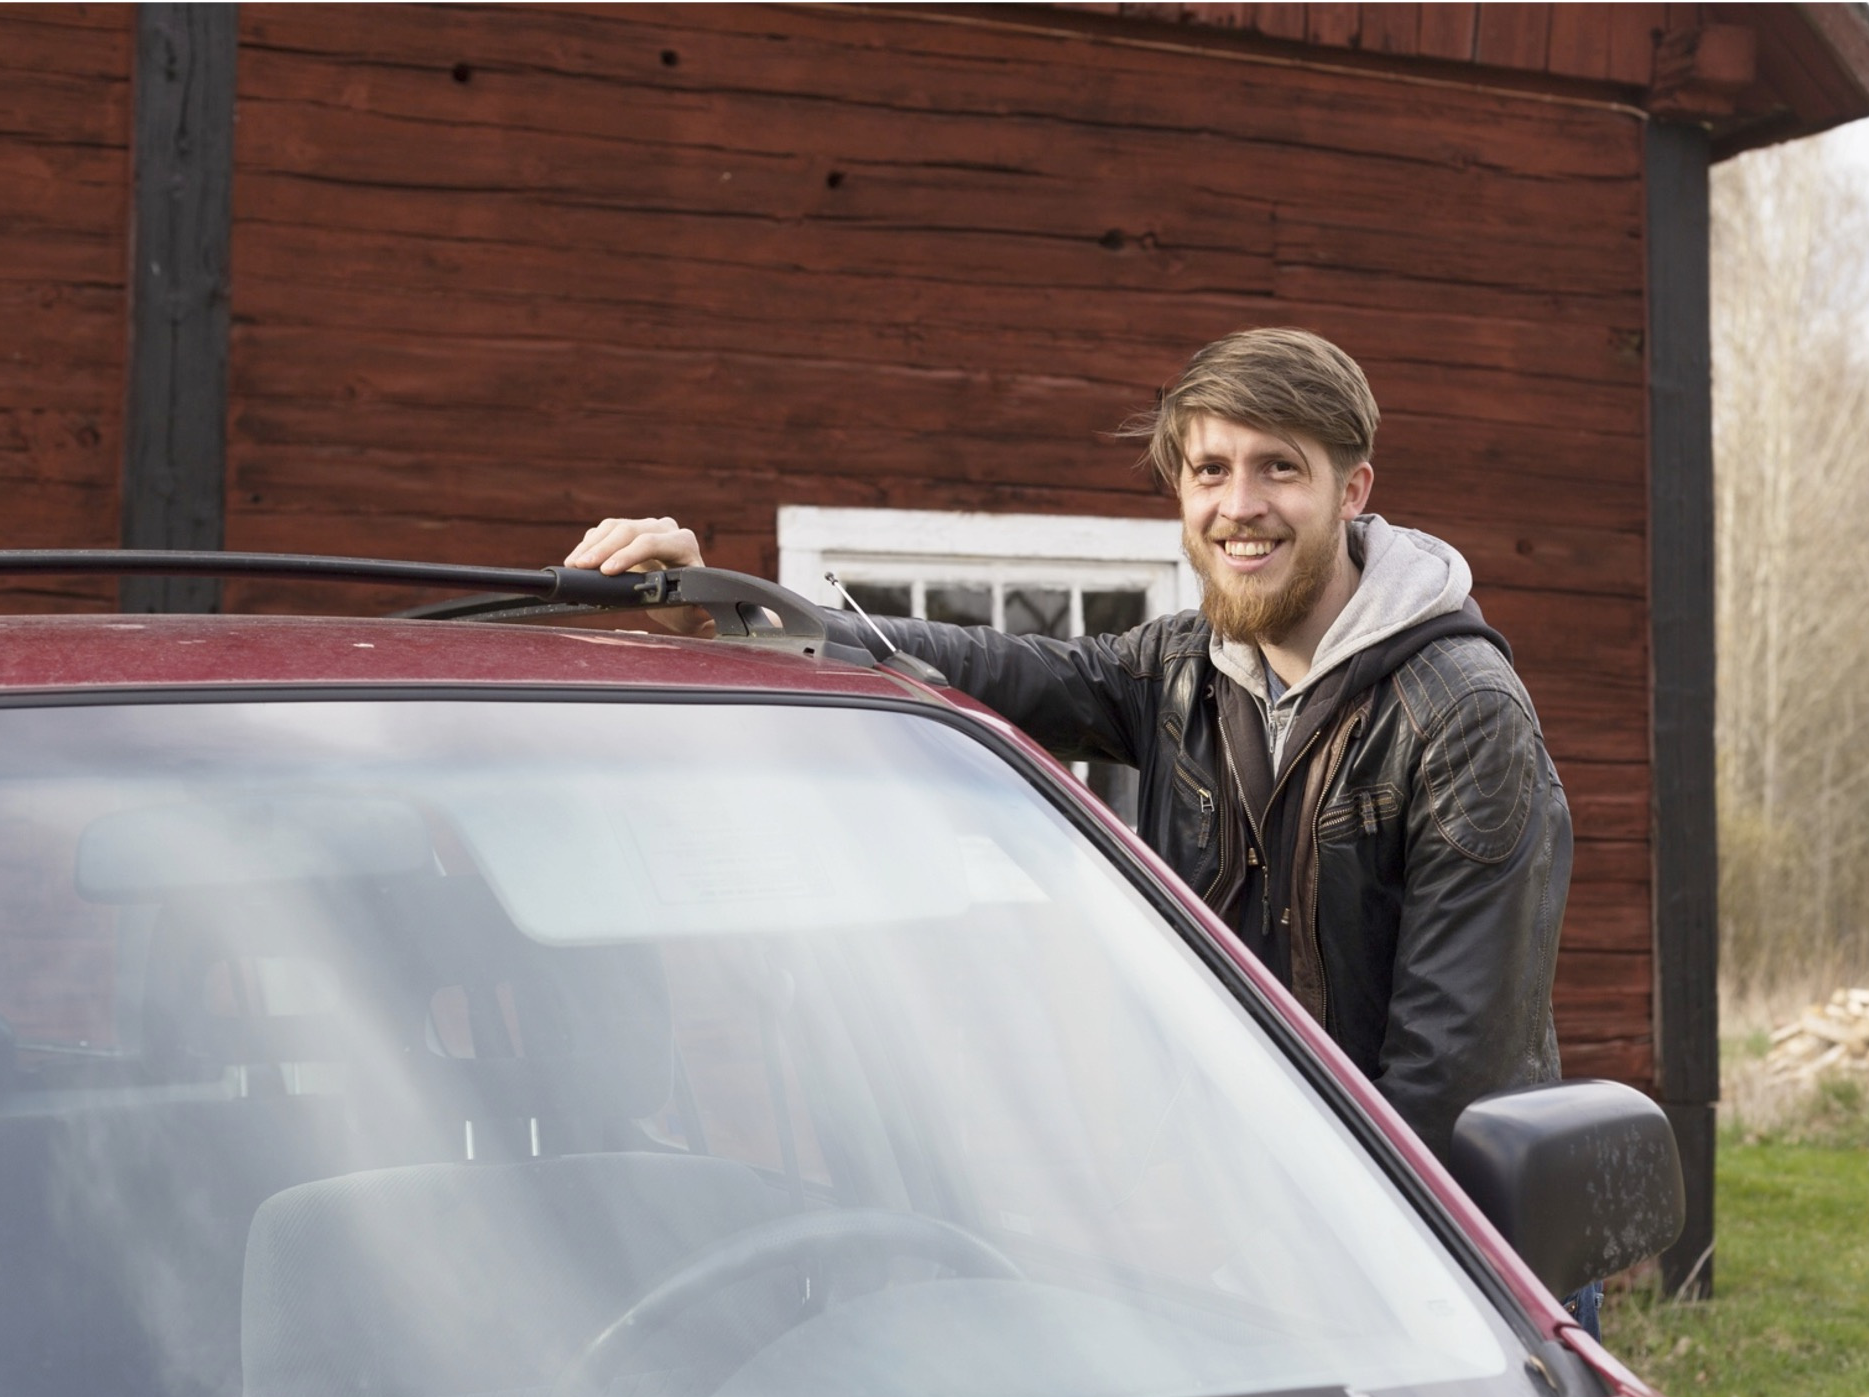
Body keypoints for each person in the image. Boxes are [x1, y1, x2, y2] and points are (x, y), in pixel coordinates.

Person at [566, 328, 1593, 1335]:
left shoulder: (1459, 713)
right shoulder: (1183, 668)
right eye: (1210, 469)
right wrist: (735, 619)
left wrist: (1347, 1272)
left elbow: (1451, 1068)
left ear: (1351, 491)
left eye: (1279, 469)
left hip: (1446, 1268)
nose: (1239, 506)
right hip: (1279, 1241)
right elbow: (987, 666)